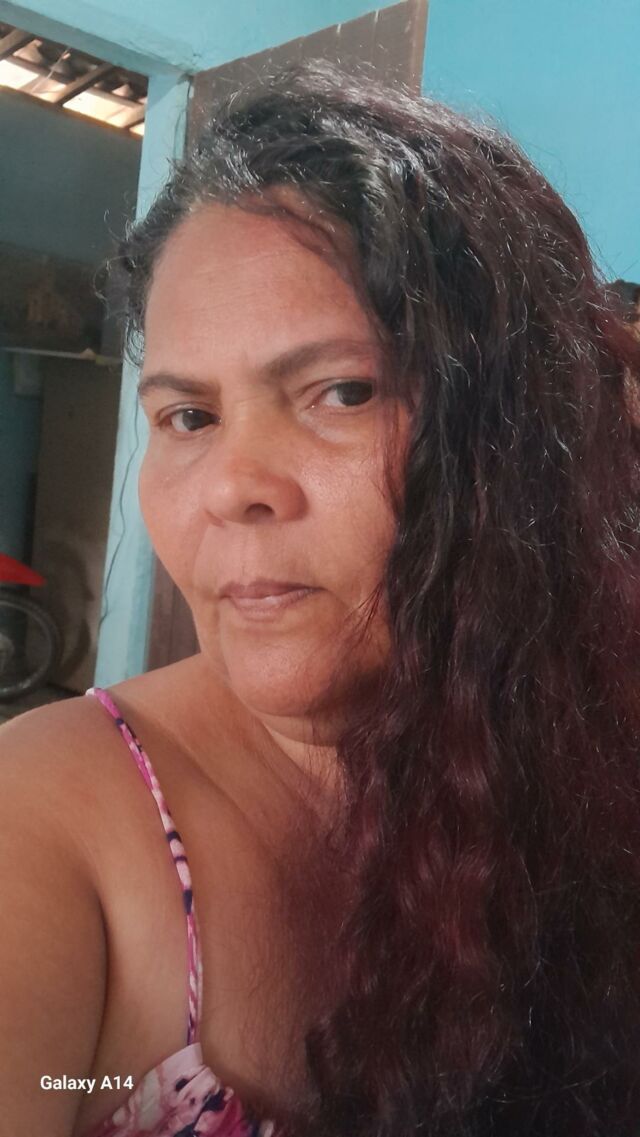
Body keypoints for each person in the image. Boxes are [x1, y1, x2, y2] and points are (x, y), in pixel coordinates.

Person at [1, 57, 640, 1137]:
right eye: (189, 417)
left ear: (518, 439)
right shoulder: (46, 825)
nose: (233, 488)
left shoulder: (599, 749)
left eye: (339, 391)